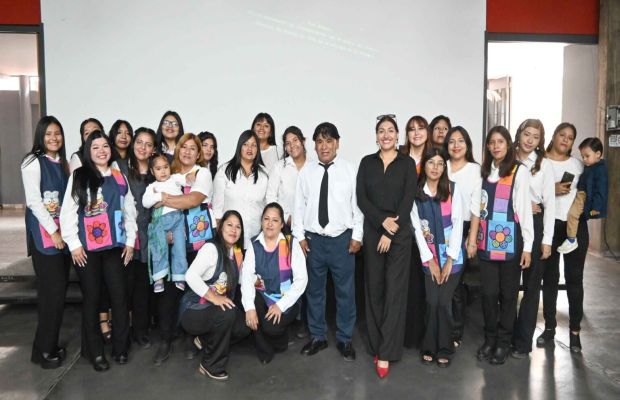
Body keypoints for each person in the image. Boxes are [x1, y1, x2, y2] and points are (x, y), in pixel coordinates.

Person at [59, 130, 137, 371]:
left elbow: (129, 210)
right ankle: (95, 352)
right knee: (92, 298)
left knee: (119, 297)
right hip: (87, 250)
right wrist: (74, 244)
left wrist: (131, 240)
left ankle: (120, 348)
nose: (101, 151)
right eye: (95, 147)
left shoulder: (119, 175)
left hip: (114, 247)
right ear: (88, 151)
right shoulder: (80, 175)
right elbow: (68, 212)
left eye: (105, 146)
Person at [293, 122, 363, 361]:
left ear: (337, 144)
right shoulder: (306, 173)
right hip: (314, 241)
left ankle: (345, 339)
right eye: (320, 142)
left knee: (345, 292)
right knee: (314, 291)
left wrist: (357, 236)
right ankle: (317, 336)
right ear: (314, 145)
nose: (324, 146)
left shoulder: (349, 170)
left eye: (329, 141)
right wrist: (300, 236)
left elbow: (357, 206)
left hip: (342, 241)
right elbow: (299, 206)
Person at [356, 115, 417, 378]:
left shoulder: (407, 163)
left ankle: (387, 351)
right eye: (381, 131)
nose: (386, 135)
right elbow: (361, 198)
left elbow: (407, 200)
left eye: (391, 130)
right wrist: (382, 223)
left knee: (394, 293)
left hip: (399, 236)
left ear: (397, 135)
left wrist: (391, 231)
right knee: (374, 290)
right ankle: (375, 344)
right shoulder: (366, 163)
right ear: (376, 136)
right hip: (373, 233)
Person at [152, 133, 215, 365]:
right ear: (178, 150)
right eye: (184, 147)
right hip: (173, 240)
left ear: (198, 154)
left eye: (193, 148)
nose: (187, 152)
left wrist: (163, 199)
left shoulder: (202, 173)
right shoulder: (170, 174)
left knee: (193, 289)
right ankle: (166, 339)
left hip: (198, 241)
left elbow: (193, 200)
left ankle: (191, 336)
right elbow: (154, 209)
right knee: (169, 292)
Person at [476, 126, 533, 365]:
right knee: (488, 295)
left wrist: (528, 246)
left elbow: (524, 210)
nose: (496, 146)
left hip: (510, 244)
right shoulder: (483, 172)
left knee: (508, 295)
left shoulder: (519, 171)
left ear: (508, 144)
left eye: (500, 141)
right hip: (485, 243)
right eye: (492, 142)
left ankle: (503, 342)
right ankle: (490, 339)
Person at [21, 116, 71, 369]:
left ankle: (45, 346)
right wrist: (53, 232)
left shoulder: (62, 162)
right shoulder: (32, 161)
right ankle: (44, 352)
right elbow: (34, 202)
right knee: (52, 294)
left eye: (57, 133)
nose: (54, 138)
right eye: (48, 133)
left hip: (61, 236)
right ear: (40, 136)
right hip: (45, 237)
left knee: (57, 294)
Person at [411, 147, 464, 368]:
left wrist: (450, 259)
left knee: (444, 302)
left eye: (440, 163)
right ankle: (429, 346)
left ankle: (445, 348)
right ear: (424, 165)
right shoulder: (416, 194)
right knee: (432, 302)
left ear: (445, 167)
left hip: (453, 258)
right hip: (429, 257)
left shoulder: (453, 189)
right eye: (431, 162)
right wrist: (431, 260)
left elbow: (458, 224)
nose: (435, 167)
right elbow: (416, 229)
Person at [538, 123, 587, 353]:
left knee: (574, 279)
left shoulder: (578, 165)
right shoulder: (540, 162)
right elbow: (529, 192)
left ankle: (575, 332)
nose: (566, 140)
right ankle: (549, 328)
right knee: (549, 278)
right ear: (554, 136)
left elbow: (588, 190)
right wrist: (552, 189)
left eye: (570, 137)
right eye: (562, 135)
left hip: (574, 228)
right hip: (549, 226)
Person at [179, 210, 245, 381]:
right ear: (221, 227)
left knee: (244, 324)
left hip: (214, 312)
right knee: (227, 313)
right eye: (229, 225)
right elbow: (190, 276)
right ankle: (210, 365)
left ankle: (204, 339)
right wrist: (214, 297)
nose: (233, 230)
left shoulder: (236, 253)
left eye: (238, 227)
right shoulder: (211, 249)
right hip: (194, 310)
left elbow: (244, 281)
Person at [241, 203, 308, 364]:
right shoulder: (254, 244)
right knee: (252, 312)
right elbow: (247, 277)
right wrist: (249, 309)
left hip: (286, 298)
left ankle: (280, 341)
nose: (270, 224)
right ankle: (264, 349)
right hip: (263, 294)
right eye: (266, 219)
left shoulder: (291, 244)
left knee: (271, 328)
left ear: (282, 224)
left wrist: (280, 306)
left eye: (275, 220)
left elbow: (301, 280)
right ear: (261, 221)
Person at [511, 119, 555, 358]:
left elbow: (550, 204)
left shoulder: (544, 165)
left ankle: (522, 342)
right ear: (519, 134)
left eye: (535, 137)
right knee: (508, 285)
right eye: (526, 134)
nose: (529, 140)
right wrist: (523, 204)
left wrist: (547, 240)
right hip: (508, 224)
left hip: (536, 227)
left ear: (540, 141)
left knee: (531, 286)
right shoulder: (506, 158)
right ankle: (506, 336)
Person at [444, 126, 481, 348]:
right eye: (451, 141)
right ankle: (441, 326)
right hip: (442, 228)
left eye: (460, 141)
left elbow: (477, 209)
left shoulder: (475, 170)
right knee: (440, 282)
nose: (456, 145)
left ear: (467, 145)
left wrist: (472, 238)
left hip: (465, 228)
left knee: (456, 284)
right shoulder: (441, 165)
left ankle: (455, 331)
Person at [124, 127, 156, 348]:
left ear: (153, 149)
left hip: (152, 236)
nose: (143, 147)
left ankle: (141, 330)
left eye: (148, 144)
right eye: (139, 142)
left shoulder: (158, 172)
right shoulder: (123, 172)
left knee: (145, 287)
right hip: (129, 235)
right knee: (127, 285)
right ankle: (125, 330)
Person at [400, 115, 430, 348]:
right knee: (406, 285)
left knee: (425, 286)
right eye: (411, 129)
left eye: (420, 128)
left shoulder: (435, 158)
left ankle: (425, 335)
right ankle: (405, 335)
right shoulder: (399, 158)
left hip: (429, 230)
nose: (416, 133)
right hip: (404, 230)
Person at [213, 130, 268, 247]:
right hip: (230, 240)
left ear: (258, 149)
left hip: (256, 238)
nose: (250, 148)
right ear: (239, 147)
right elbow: (217, 208)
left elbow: (268, 205)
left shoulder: (264, 174)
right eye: (246, 144)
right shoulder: (224, 171)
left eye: (254, 145)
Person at [142, 154, 189, 292]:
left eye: (165, 167)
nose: (163, 171)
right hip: (160, 222)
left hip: (178, 219)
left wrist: (192, 176)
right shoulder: (152, 187)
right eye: (158, 169)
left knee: (180, 248)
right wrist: (159, 196)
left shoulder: (174, 179)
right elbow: (145, 202)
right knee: (159, 249)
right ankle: (159, 277)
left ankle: (179, 276)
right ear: (152, 171)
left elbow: (186, 180)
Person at [557, 137, 608, 254]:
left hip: (583, 196)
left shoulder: (600, 170)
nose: (584, 159)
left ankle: (571, 240)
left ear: (598, 154)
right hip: (579, 193)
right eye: (582, 156)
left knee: (572, 215)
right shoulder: (589, 165)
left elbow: (601, 190)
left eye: (587, 156)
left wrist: (596, 207)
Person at [266, 126, 307, 226]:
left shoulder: (314, 167)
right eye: (288, 143)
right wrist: (286, 218)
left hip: (310, 226)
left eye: (295, 140)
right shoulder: (279, 167)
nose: (292, 145)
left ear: (303, 141)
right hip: (284, 225)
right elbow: (270, 197)